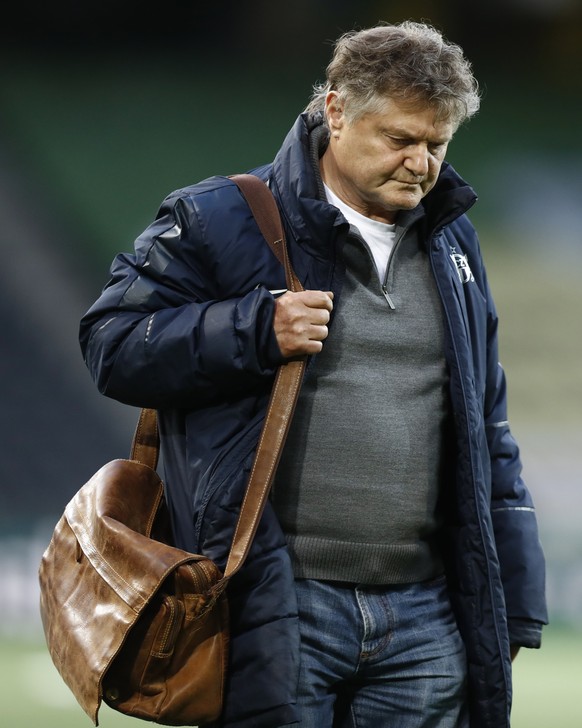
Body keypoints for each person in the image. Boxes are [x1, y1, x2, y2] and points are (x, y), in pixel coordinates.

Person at [79, 20, 548, 728]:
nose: (422, 163)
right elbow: (110, 343)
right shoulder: (217, 218)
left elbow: (487, 428)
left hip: (427, 614)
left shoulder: (455, 241)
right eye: (400, 139)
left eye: (437, 143)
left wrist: (512, 600)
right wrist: (255, 329)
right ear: (335, 110)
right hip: (279, 601)